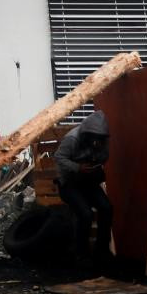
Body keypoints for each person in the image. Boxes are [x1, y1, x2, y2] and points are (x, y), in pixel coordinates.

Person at [53, 109, 113, 262]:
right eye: (94, 139)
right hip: (69, 183)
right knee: (85, 213)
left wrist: (96, 162)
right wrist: (78, 167)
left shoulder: (102, 141)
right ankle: (81, 253)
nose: (96, 142)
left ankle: (102, 251)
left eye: (99, 139)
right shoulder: (72, 139)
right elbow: (59, 157)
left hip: (88, 182)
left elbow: (104, 157)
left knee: (106, 208)